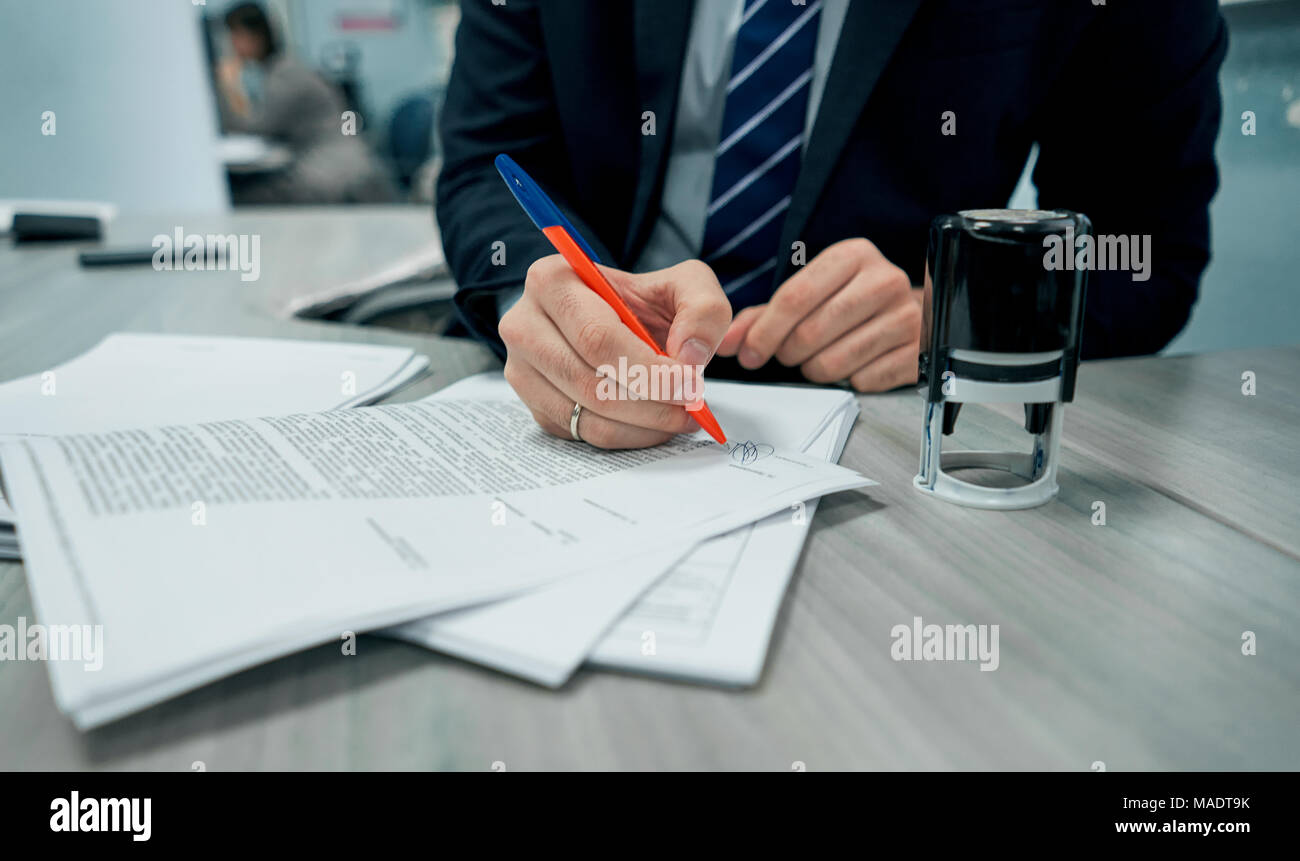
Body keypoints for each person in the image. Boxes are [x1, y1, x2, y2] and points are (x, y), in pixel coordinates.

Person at [435, 0, 1227, 449]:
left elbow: (1147, 246)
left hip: (895, 428)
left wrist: (959, 313)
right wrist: (553, 298)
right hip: (559, 400)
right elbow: (489, 160)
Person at [216, 2, 394, 204]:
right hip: (338, 165)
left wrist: (227, 86)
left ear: (256, 37)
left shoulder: (287, 76)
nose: (230, 46)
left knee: (242, 197)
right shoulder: (283, 70)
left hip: (332, 171)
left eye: (234, 36)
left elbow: (252, 128)